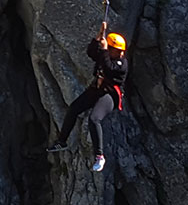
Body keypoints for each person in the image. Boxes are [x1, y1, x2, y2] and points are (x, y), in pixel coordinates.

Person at [46, 32, 128, 172]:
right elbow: (91, 53)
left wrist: (103, 50)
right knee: (74, 108)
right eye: (118, 51)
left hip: (110, 95)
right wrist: (98, 38)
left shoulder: (121, 63)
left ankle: (99, 156)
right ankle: (62, 141)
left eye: (121, 51)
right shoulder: (105, 56)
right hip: (97, 89)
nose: (121, 54)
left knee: (94, 119)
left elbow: (109, 68)